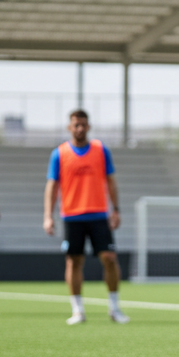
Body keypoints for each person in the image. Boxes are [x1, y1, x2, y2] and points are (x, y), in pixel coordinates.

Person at [43, 109, 130, 325]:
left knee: (109, 259)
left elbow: (111, 181)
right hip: (72, 216)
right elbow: (52, 186)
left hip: (99, 214)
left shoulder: (101, 151)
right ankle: (78, 310)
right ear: (69, 127)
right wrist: (48, 216)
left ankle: (114, 308)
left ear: (88, 126)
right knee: (74, 261)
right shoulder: (60, 153)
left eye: (83, 124)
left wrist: (116, 209)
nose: (80, 128)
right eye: (76, 125)